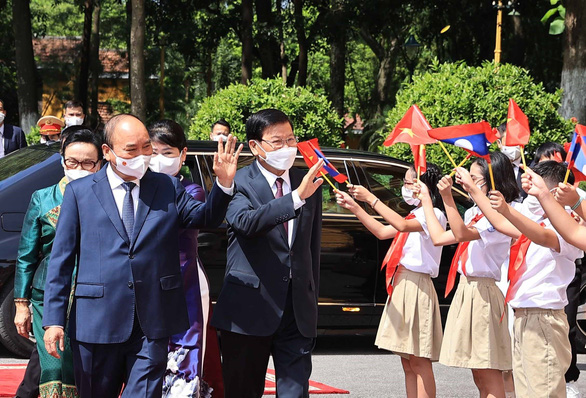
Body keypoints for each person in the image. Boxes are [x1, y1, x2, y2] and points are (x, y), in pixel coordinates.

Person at [42, 114, 242, 398]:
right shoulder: (80, 192)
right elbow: (61, 261)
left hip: (153, 321)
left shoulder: (166, 186)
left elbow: (205, 217)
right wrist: (54, 320)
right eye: (131, 150)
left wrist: (223, 186)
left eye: (146, 147)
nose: (142, 155)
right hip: (97, 321)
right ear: (108, 152)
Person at [211, 109, 324, 398]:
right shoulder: (238, 181)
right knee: (243, 391)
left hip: (295, 310)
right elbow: (247, 223)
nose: (287, 148)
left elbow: (311, 247)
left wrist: (311, 296)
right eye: (277, 141)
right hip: (249, 309)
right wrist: (296, 198)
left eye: (291, 139)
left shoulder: (307, 181)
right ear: (255, 146)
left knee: (295, 392)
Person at [336, 163, 445, 398]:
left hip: (417, 285)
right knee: (407, 361)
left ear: (420, 186)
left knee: (419, 360)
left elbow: (401, 226)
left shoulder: (433, 214)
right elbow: (383, 232)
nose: (403, 188)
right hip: (403, 284)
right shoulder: (415, 213)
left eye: (406, 182)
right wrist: (356, 206)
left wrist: (372, 198)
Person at [417, 151, 520, 398]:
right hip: (468, 288)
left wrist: (448, 197)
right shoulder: (475, 211)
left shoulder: (502, 212)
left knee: (488, 369)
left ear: (492, 181)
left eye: (475, 179)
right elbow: (440, 237)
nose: (468, 183)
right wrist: (429, 200)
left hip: (484, 291)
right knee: (477, 371)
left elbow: (461, 234)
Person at [13, 126, 103, 397]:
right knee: (52, 361)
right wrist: (21, 304)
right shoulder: (42, 198)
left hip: (90, 296)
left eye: (88, 162)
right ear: (63, 161)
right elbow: (26, 255)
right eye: (72, 161)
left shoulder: (107, 199)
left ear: (99, 164)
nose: (80, 167)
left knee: (80, 365)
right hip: (46, 297)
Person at [490, 161, 583, 398]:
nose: (527, 191)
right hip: (524, 314)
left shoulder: (567, 222)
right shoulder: (536, 220)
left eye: (533, 186)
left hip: (544, 317)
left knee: (544, 392)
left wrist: (510, 208)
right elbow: (505, 223)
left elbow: (544, 237)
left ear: (554, 191)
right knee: (527, 392)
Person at [147, 119, 224, 397]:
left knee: (185, 359)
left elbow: (198, 216)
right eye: (152, 152)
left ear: (183, 155)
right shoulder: (133, 189)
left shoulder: (190, 191)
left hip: (185, 283)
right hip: (146, 285)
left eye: (167, 153)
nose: (158, 160)